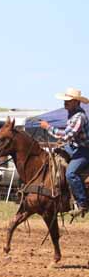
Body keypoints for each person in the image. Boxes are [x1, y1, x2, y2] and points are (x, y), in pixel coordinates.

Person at [40, 87, 89, 217]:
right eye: (65, 100)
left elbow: (68, 134)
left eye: (68, 100)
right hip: (75, 147)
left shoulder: (79, 117)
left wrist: (48, 127)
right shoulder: (72, 114)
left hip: (84, 150)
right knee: (55, 157)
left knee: (71, 173)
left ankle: (82, 203)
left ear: (76, 102)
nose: (65, 102)